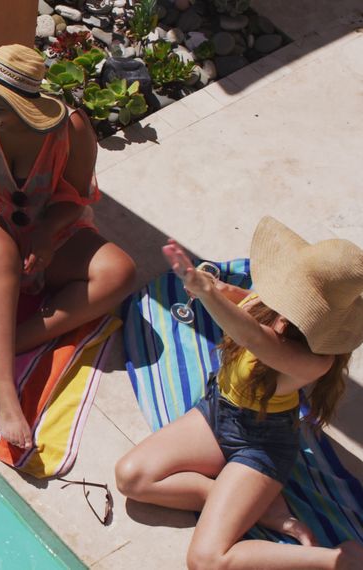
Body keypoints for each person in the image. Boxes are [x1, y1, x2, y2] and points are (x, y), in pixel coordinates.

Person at [115, 217, 363, 569]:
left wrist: (208, 294)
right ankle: (246, 505)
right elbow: (249, 303)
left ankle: (338, 561)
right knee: (132, 477)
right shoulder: (278, 304)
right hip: (217, 411)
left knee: (207, 560)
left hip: (261, 444)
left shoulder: (314, 362)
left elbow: (255, 338)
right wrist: (220, 287)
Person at [0, 44, 136, 449]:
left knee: (119, 271)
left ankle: (12, 341)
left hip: (43, 224)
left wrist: (45, 236)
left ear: (27, 106)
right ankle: (6, 393)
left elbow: (75, 198)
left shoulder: (70, 129)